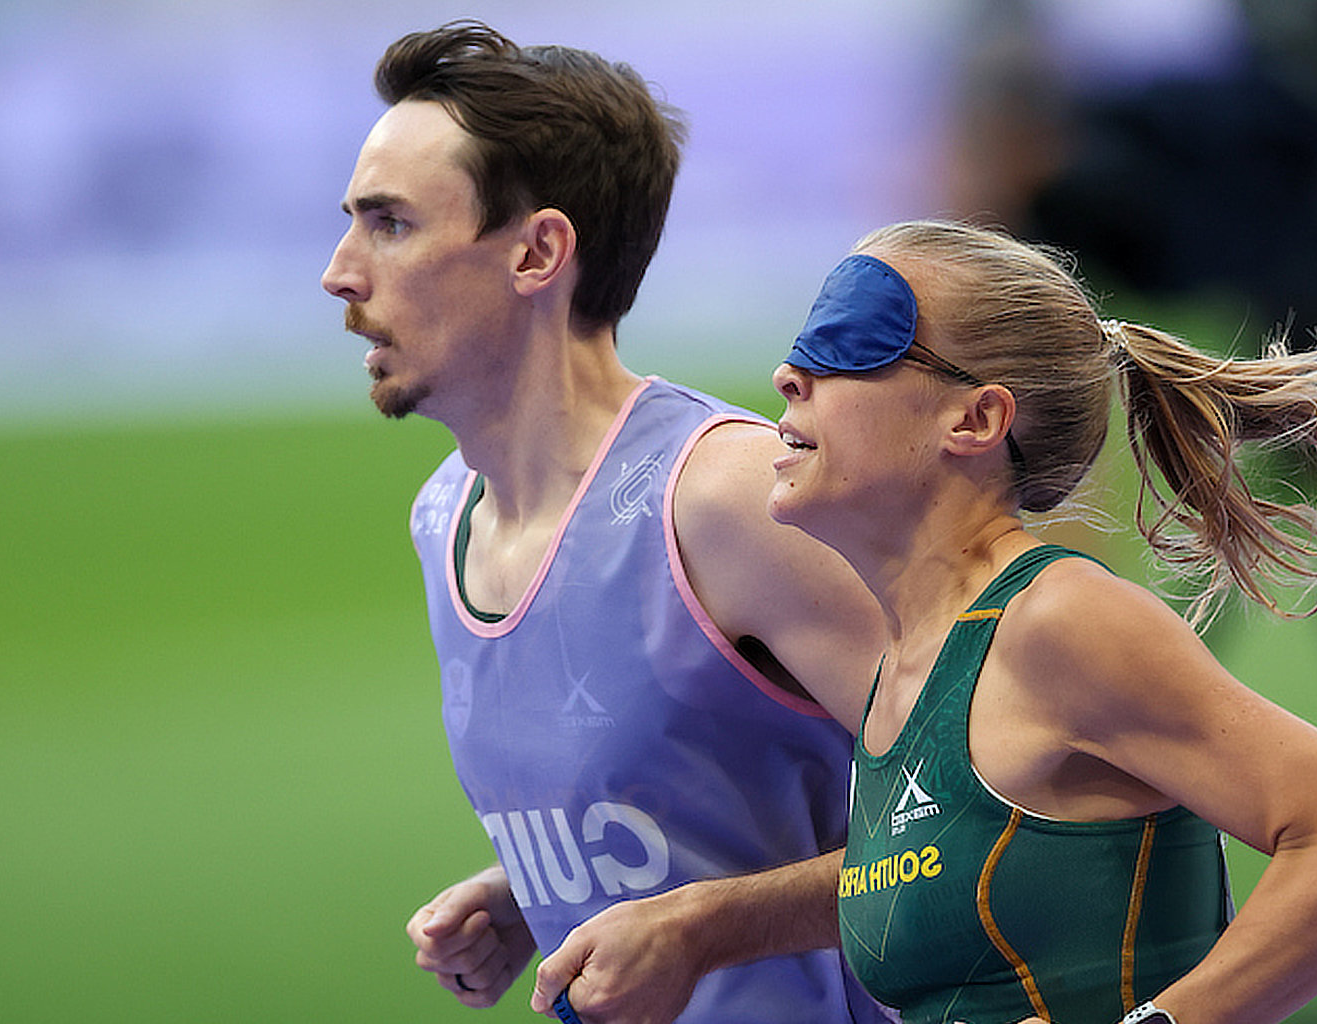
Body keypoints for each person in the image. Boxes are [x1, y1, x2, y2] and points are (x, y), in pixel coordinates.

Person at [319, 21, 891, 1024]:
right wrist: (547, 893)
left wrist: (704, 926)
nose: (340, 270)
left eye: (390, 224)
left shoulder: (728, 499)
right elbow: (707, 806)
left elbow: (991, 821)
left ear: (538, 252)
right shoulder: (444, 516)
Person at [766, 219, 1317, 1024]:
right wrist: (695, 927)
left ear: (976, 421)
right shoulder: (905, 665)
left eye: (849, 343)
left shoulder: (1058, 621)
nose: (789, 373)